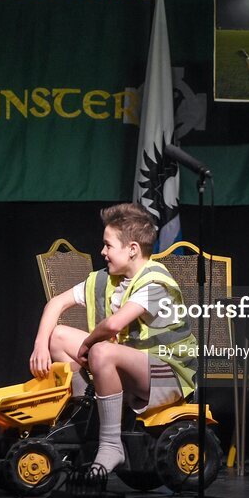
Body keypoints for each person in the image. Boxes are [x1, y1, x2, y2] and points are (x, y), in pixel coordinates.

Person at [29, 203, 197, 474]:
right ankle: (91, 418)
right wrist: (40, 345)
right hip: (129, 364)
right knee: (58, 337)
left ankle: (110, 445)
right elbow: (56, 304)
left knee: (100, 351)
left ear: (132, 249)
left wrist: (88, 343)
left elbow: (115, 324)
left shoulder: (155, 281)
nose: (102, 252)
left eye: (108, 245)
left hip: (167, 374)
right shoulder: (105, 279)